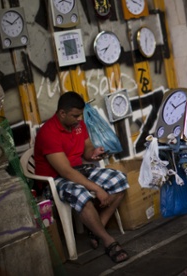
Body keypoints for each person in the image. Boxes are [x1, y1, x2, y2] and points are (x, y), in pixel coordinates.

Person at [34, 92, 130, 263]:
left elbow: (87, 148)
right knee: (82, 195)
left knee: (120, 180)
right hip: (55, 180)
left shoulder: (78, 124)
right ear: (62, 113)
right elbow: (66, 172)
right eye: (75, 115)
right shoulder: (48, 133)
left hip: (79, 169)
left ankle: (96, 228)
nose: (80, 119)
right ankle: (109, 241)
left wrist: (93, 153)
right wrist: (97, 189)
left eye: (81, 115)